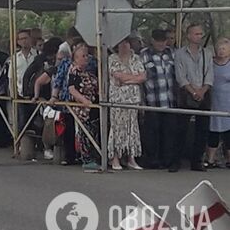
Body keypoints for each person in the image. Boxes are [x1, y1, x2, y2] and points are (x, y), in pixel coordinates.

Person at [174, 23, 214, 172]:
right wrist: (192, 91)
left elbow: (210, 74)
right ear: (189, 35)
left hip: (204, 92)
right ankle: (176, 160)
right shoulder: (179, 53)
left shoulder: (207, 53)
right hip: (186, 93)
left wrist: (203, 90)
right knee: (181, 128)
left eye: (201, 34)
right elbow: (180, 76)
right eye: (196, 34)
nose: (199, 37)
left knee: (202, 129)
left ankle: (197, 161)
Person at [140, 29, 177, 170]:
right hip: (152, 101)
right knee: (152, 133)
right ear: (152, 40)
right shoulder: (144, 55)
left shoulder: (172, 53)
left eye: (163, 40)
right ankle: (152, 160)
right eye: (158, 41)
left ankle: (167, 160)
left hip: (169, 100)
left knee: (168, 132)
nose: (161, 43)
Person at [107, 37, 146, 170]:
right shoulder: (112, 58)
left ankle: (131, 158)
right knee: (117, 127)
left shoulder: (136, 58)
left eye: (126, 43)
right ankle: (115, 157)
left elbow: (142, 77)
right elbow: (117, 76)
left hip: (133, 99)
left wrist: (129, 80)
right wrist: (133, 78)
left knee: (132, 128)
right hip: (117, 99)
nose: (124, 46)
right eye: (121, 43)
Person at [68, 44, 100, 171]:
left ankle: (94, 156)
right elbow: (72, 89)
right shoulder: (74, 71)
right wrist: (84, 100)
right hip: (82, 108)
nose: (86, 58)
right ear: (75, 58)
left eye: (87, 55)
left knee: (93, 131)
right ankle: (86, 158)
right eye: (82, 56)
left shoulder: (88, 73)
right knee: (85, 132)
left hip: (92, 106)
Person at [205, 38, 230, 168]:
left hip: (228, 102)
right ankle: (210, 159)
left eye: (224, 49)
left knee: (228, 132)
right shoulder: (211, 63)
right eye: (219, 48)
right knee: (213, 130)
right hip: (214, 101)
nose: (221, 51)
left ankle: (229, 159)